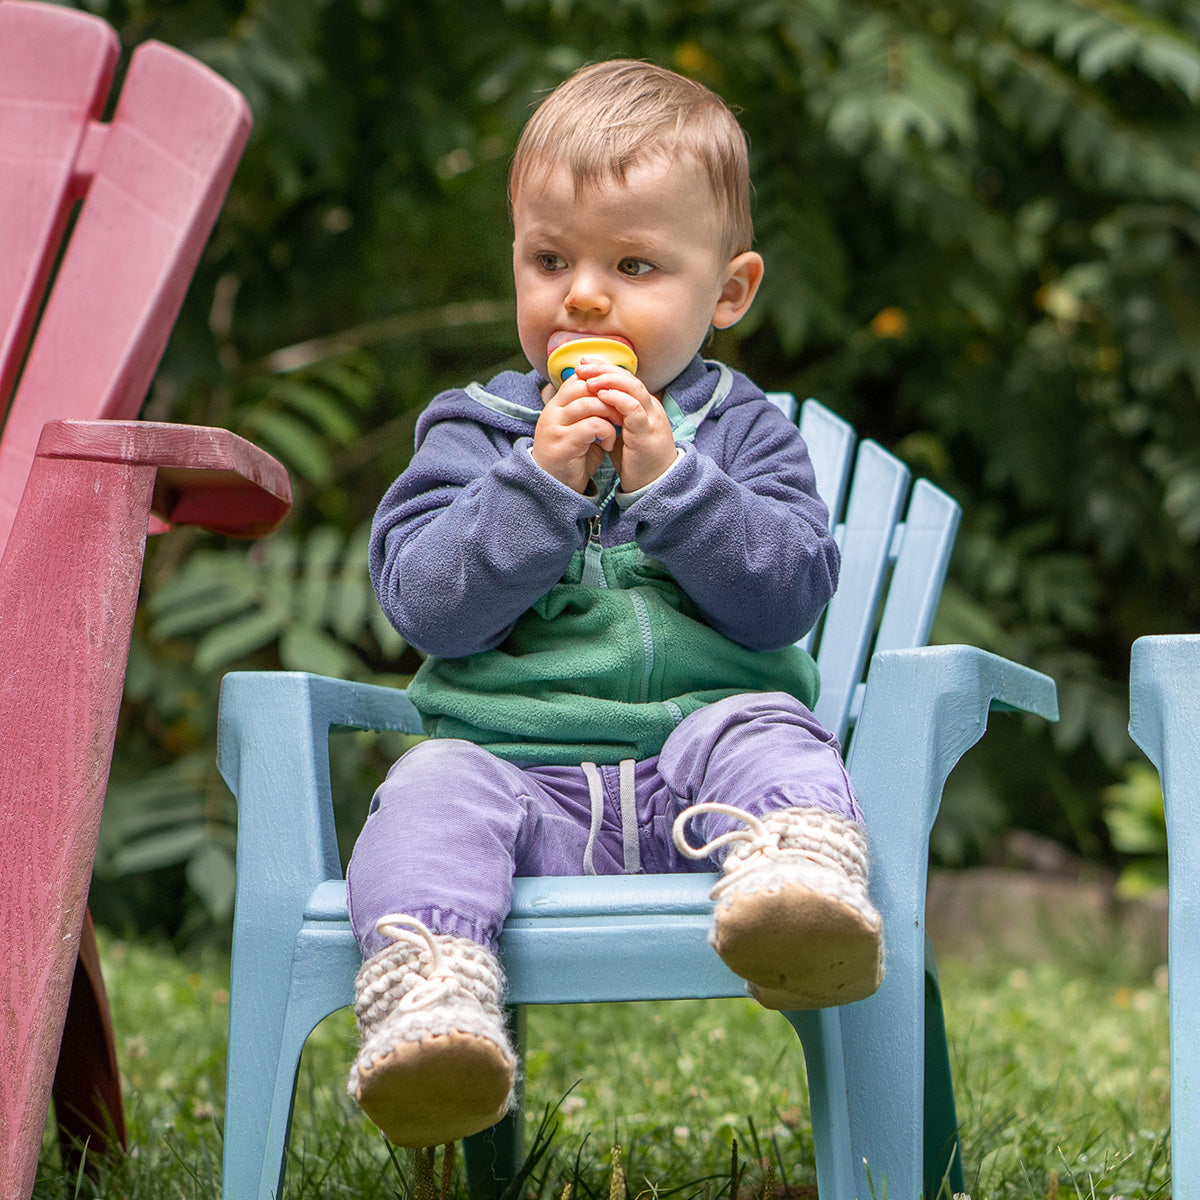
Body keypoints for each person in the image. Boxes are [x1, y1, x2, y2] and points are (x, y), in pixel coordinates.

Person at [345, 58, 883, 1150]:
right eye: (550, 260)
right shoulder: (476, 432)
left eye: (633, 264)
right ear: (515, 263)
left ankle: (798, 876)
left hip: (706, 793)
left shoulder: (744, 432)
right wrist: (532, 489)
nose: (581, 296)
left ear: (727, 292)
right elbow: (427, 608)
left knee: (767, 726)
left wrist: (674, 486)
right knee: (431, 784)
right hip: (523, 792)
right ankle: (432, 997)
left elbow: (784, 597)